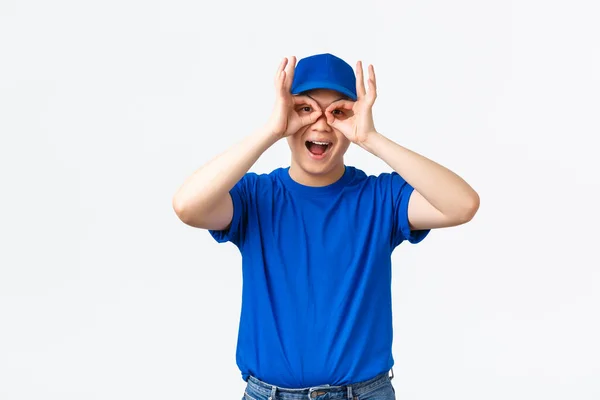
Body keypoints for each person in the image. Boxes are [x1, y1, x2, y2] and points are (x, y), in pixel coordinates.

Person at [172, 53, 480, 400]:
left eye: (338, 112)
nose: (320, 124)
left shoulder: (380, 198)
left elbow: (462, 205)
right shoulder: (256, 197)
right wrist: (270, 131)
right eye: (305, 109)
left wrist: (372, 139)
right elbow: (187, 206)